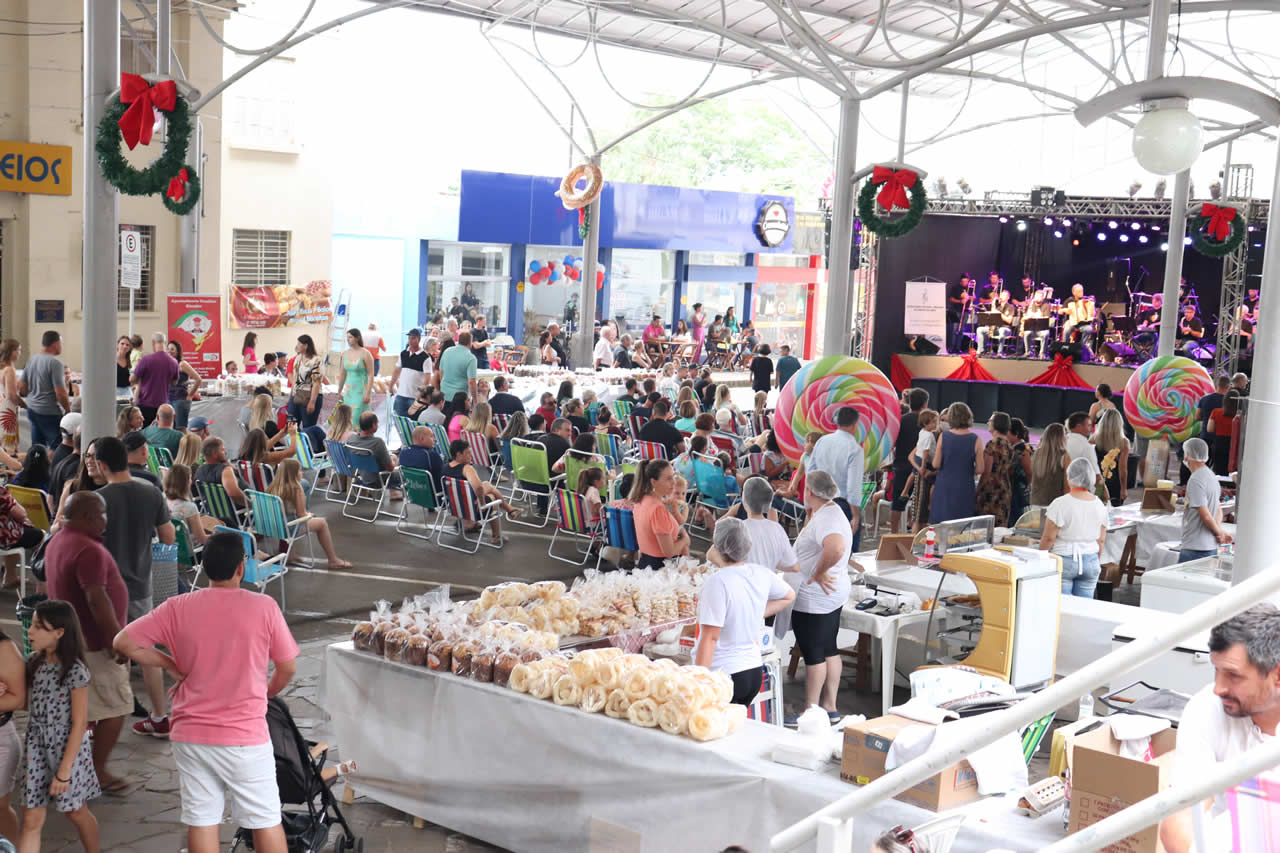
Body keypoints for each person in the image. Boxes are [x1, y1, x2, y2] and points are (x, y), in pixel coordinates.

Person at [114, 530, 299, 853]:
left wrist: (169, 664)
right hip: (245, 736)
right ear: (241, 568)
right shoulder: (264, 607)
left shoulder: (177, 607)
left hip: (190, 734)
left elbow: (124, 642)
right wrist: (266, 694)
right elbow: (287, 668)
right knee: (265, 819)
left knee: (202, 819)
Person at [1159, 605, 1280, 853]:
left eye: (1233, 675)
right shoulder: (1207, 707)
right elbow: (1179, 819)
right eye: (1216, 670)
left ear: (1277, 676)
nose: (1218, 688)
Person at [43, 491, 131, 793]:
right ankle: (96, 771)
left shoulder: (58, 541)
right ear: (86, 516)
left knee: (78, 712)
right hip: (93, 645)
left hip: (69, 641)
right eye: (101, 514)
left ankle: (70, 768)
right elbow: (96, 599)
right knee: (115, 707)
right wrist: (116, 640)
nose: (105, 520)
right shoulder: (87, 550)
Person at [96, 437, 175, 738]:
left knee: (112, 655)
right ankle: (159, 716)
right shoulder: (151, 492)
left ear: (102, 465)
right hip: (141, 584)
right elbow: (168, 538)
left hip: (106, 590)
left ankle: (107, 719)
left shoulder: (98, 499)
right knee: (145, 650)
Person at [18, 600, 101, 853]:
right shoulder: (33, 662)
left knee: (76, 812)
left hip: (68, 751)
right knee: (31, 819)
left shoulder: (74, 670)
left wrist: (64, 771)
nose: (30, 632)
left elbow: (79, 724)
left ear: (59, 632)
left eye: (38, 627)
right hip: (37, 747)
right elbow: (26, 703)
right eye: (32, 625)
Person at [695, 517, 795, 706]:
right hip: (753, 671)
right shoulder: (760, 573)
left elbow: (710, 638)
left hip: (724, 674)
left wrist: (698, 678)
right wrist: (755, 612)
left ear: (717, 545)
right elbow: (789, 595)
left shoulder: (717, 582)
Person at [784, 470, 853, 725]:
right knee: (828, 648)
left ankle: (810, 713)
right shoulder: (831, 511)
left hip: (816, 596)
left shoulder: (827, 517)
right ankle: (829, 707)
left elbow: (835, 547)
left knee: (814, 654)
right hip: (830, 594)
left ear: (809, 491)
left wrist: (819, 571)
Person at [1040, 458, 1109, 598]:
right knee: (1084, 609)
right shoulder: (1100, 505)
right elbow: (1101, 540)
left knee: (1063, 609)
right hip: (1091, 560)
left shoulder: (1060, 503)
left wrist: (1039, 557)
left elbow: (1049, 538)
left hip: (1065, 559)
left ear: (1069, 477)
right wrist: (1094, 558)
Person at [266, 459, 350, 568]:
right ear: (293, 474)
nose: (302, 473)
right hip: (287, 529)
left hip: (272, 527)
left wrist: (298, 512)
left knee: (291, 518)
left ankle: (291, 555)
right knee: (322, 524)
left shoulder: (272, 487)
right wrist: (309, 515)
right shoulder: (296, 488)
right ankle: (333, 559)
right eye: (300, 470)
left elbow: (285, 510)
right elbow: (302, 515)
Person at [442, 441, 521, 543]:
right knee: (491, 496)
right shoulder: (466, 468)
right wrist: (482, 502)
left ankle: (510, 510)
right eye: (468, 453)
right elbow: (478, 487)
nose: (471, 456)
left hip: (455, 507)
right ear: (458, 454)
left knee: (487, 485)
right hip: (472, 510)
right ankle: (497, 535)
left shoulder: (445, 467)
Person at [807, 407, 865, 538]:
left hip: (820, 501)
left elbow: (810, 473)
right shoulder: (855, 449)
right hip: (842, 506)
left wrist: (810, 506)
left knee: (823, 546)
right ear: (855, 424)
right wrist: (855, 515)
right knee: (844, 551)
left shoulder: (822, 441)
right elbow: (853, 487)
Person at [629, 460, 691, 568]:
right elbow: (669, 552)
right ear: (653, 482)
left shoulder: (641, 500)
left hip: (646, 565)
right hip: (661, 569)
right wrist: (685, 539)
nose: (673, 482)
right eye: (668, 478)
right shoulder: (657, 508)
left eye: (673, 476)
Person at [1179, 437, 1232, 563]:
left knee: (1184, 582)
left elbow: (1205, 514)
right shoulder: (1211, 476)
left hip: (1195, 547)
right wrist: (1218, 531)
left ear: (1187, 455)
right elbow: (1218, 509)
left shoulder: (1196, 479)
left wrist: (1219, 533)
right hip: (1210, 546)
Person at [930, 402, 982, 523]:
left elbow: (936, 464)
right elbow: (980, 469)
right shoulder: (976, 439)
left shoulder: (944, 436)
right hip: (965, 485)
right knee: (961, 524)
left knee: (941, 522)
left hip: (945, 484)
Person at [21, 330, 71, 448]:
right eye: (61, 343)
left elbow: (22, 387)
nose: (61, 346)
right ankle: (57, 466)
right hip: (49, 412)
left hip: (32, 409)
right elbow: (60, 392)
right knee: (59, 446)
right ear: (55, 344)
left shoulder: (32, 360)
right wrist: (68, 410)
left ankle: (36, 465)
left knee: (38, 447)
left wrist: (34, 394)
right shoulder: (55, 363)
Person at [890, 389, 927, 533]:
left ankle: (893, 534)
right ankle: (916, 534)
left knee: (898, 503)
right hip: (920, 467)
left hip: (901, 465)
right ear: (925, 404)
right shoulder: (926, 423)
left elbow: (893, 442)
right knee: (919, 504)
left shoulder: (901, 420)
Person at [347, 412, 402, 497]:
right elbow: (390, 468)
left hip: (358, 476)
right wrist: (395, 463)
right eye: (377, 423)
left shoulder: (351, 439)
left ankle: (393, 493)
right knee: (401, 471)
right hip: (376, 480)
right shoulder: (377, 443)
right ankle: (394, 493)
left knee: (392, 457)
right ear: (373, 425)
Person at [130, 332, 179, 426]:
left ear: (153, 342)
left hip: (145, 404)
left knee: (145, 435)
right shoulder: (174, 362)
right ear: (165, 342)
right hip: (163, 405)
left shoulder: (146, 359)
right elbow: (174, 381)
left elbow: (132, 379)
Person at [976, 411, 1014, 526]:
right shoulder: (1009, 445)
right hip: (1005, 488)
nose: (988, 422)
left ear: (996, 424)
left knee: (985, 528)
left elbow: (986, 472)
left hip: (991, 490)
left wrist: (978, 490)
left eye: (990, 420)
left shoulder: (992, 444)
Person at [195, 437, 249, 512]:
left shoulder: (199, 470)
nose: (226, 452)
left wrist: (226, 462)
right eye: (222, 450)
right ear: (214, 454)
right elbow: (234, 494)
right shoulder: (225, 470)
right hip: (242, 512)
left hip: (217, 512)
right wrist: (252, 505)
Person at [164, 465, 212, 545]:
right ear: (185, 482)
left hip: (174, 549)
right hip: (192, 552)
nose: (191, 481)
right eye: (190, 478)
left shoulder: (164, 500)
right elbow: (202, 539)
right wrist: (219, 535)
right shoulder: (189, 507)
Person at [390, 328, 431, 420]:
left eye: (413, 338)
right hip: (401, 395)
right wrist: (391, 385)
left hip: (415, 396)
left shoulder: (425, 357)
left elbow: (427, 379)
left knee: (414, 421)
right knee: (399, 421)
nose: (410, 341)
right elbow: (397, 370)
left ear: (419, 339)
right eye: (409, 338)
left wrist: (421, 394)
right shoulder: (403, 354)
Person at [1094, 408, 1131, 506]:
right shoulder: (1124, 442)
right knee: (1114, 515)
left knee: (1096, 511)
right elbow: (1123, 469)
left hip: (1098, 483)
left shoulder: (1093, 439)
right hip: (1115, 485)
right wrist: (1123, 489)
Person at [337, 328, 375, 423]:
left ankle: (359, 435)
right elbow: (342, 374)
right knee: (347, 417)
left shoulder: (366, 354)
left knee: (357, 416)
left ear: (357, 338)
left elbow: (371, 374)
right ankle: (350, 437)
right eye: (347, 337)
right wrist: (339, 390)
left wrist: (368, 392)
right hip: (348, 391)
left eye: (350, 337)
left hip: (361, 390)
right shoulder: (344, 354)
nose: (348, 339)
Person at [1031, 422, 1069, 507]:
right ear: (1061, 437)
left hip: (1036, 502)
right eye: (1065, 434)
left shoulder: (1037, 453)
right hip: (1056, 505)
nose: (1067, 437)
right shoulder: (1065, 456)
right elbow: (1067, 487)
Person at [288, 335, 323, 429]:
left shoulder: (316, 360)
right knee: (290, 424)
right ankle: (292, 443)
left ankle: (307, 443)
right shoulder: (298, 358)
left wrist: (312, 402)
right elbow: (295, 379)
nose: (297, 345)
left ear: (306, 345)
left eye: (299, 343)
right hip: (296, 395)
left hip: (309, 395)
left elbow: (316, 382)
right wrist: (290, 396)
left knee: (308, 427)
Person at [1065, 411, 1103, 490]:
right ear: (1079, 426)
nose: (1091, 429)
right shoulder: (1086, 447)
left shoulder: (1062, 441)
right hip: (1081, 489)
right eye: (1089, 425)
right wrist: (1104, 493)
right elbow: (1096, 475)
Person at [1205, 390, 1240, 476]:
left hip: (1219, 443)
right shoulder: (1240, 415)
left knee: (1219, 470)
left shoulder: (1216, 412)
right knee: (1232, 470)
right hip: (1235, 444)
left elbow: (1209, 429)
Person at [440, 330, 478, 403]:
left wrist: (444, 385)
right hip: (460, 397)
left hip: (445, 394)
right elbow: (471, 381)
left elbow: (441, 371)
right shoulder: (471, 358)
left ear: (459, 340)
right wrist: (475, 400)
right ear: (470, 343)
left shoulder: (447, 351)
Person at [1008, 418, 1033, 524]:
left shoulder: (1024, 449)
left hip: (1019, 489)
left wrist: (1028, 486)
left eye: (1008, 433)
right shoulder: (1015, 447)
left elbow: (1029, 470)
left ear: (1016, 433)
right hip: (1014, 487)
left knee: (1016, 518)